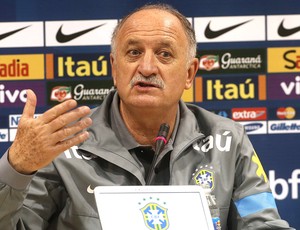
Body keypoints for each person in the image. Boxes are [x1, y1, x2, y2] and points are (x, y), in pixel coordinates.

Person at [0, 3, 294, 230]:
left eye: (164, 54)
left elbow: (263, 224)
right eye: (133, 52)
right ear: (115, 68)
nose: (147, 67)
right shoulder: (63, 143)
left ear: (189, 73)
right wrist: (17, 167)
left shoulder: (228, 141)